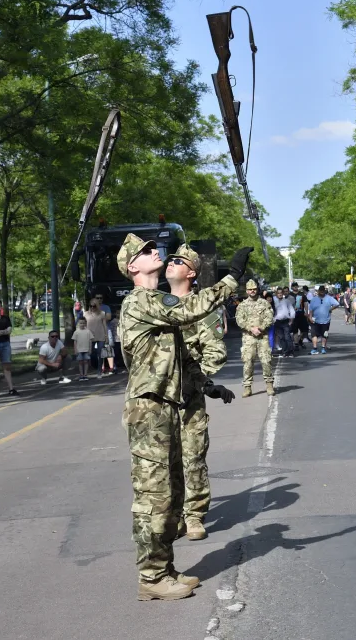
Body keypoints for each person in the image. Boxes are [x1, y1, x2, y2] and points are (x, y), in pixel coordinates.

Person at [118, 233, 245, 601]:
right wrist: (230, 277)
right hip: (149, 409)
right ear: (132, 267)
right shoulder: (141, 301)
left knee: (171, 493)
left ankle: (165, 568)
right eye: (144, 252)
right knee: (153, 497)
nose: (154, 252)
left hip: (168, 406)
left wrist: (208, 385)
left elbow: (184, 361)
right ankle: (151, 578)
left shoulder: (158, 305)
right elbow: (190, 309)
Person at [166, 244, 229, 541]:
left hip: (190, 396)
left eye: (178, 261)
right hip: (162, 399)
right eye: (170, 259)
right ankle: (175, 514)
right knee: (167, 462)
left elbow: (215, 351)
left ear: (191, 272)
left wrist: (202, 380)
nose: (170, 263)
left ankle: (194, 515)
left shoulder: (204, 309)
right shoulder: (158, 304)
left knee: (193, 459)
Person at [235, 280, 275, 397]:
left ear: (257, 290)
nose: (252, 291)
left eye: (254, 289)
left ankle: (269, 384)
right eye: (250, 289)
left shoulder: (264, 303)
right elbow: (239, 320)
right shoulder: (242, 305)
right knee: (248, 362)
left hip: (263, 336)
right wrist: (250, 328)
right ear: (247, 291)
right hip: (248, 337)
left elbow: (270, 317)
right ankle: (247, 387)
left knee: (266, 361)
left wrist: (261, 328)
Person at [308, 285, 341, 354]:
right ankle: (315, 348)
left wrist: (331, 309)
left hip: (326, 320)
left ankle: (323, 348)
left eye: (323, 291)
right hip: (315, 320)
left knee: (324, 334)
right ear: (318, 291)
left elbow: (337, 304)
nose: (322, 292)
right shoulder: (314, 299)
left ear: (325, 291)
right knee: (314, 334)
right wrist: (310, 318)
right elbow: (310, 310)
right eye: (321, 291)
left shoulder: (329, 298)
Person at [83, 298, 111, 378]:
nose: (92, 307)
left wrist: (106, 336)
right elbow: (82, 325)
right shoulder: (85, 314)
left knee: (100, 353)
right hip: (89, 336)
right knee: (90, 353)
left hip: (100, 335)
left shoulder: (102, 313)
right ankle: (87, 371)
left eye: (94, 306)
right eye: (90, 306)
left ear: (97, 306)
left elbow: (105, 325)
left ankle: (99, 371)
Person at [272, 286, 296, 357]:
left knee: (287, 337)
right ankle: (285, 351)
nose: (279, 294)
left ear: (283, 293)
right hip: (277, 322)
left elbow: (292, 311)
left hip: (286, 321)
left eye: (281, 293)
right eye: (278, 293)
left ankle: (291, 351)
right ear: (276, 294)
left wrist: (291, 320)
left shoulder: (287, 301)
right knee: (281, 337)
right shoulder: (274, 302)